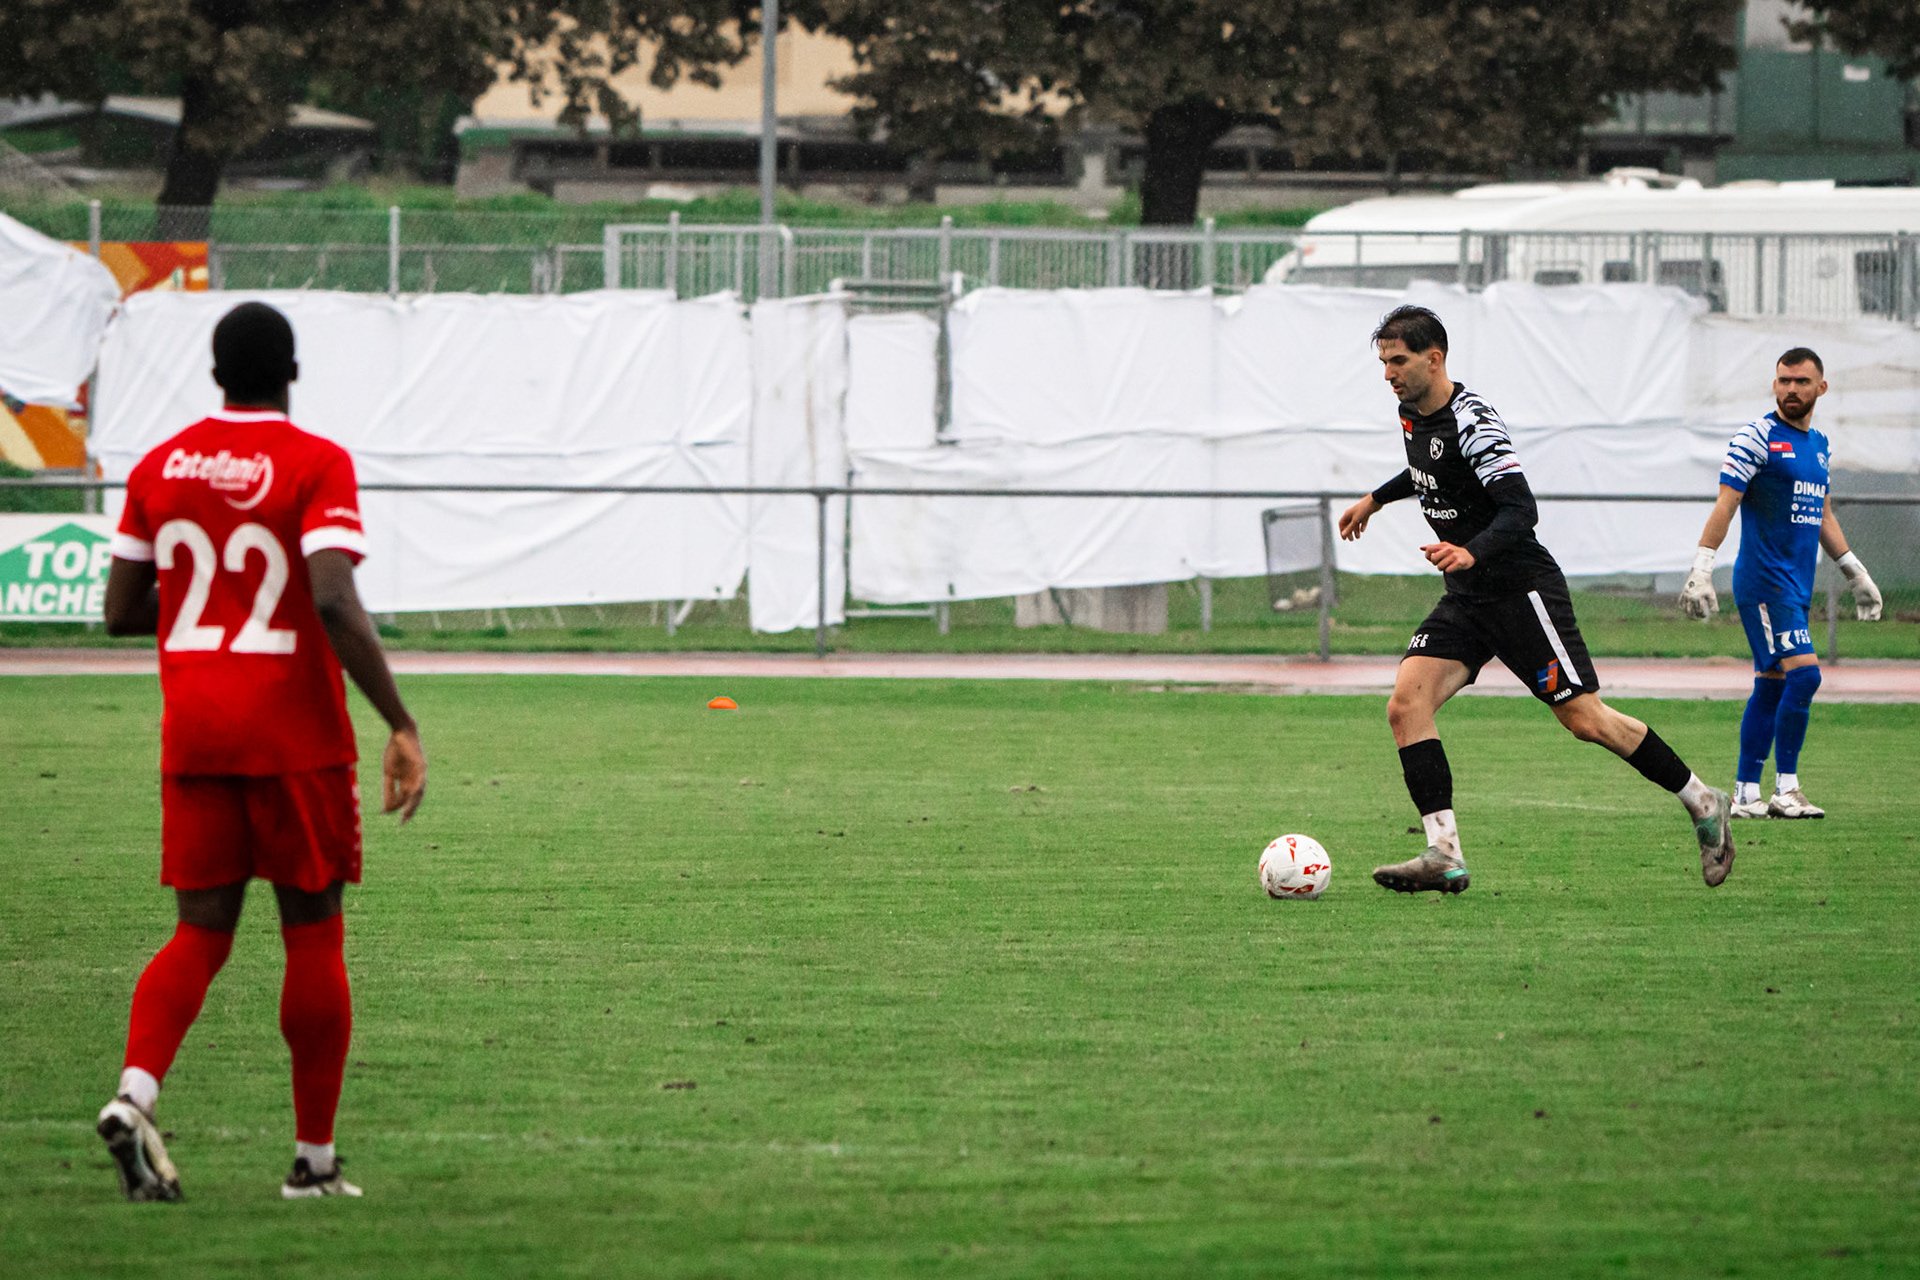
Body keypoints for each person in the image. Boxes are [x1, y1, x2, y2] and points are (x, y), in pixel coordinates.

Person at [95, 301, 426, 1202]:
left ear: (213, 377)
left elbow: (123, 611)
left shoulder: (160, 466)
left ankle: (135, 1093)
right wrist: (399, 719)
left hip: (195, 733)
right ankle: (313, 1164)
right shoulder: (316, 462)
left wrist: (219, 614)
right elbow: (329, 594)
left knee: (199, 934)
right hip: (294, 738)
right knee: (312, 935)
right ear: (293, 374)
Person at [1338, 305, 1734, 894]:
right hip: (1468, 597)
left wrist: (1471, 551)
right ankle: (1443, 852)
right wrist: (1375, 498)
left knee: (1584, 720)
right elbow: (1427, 473)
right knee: (1406, 705)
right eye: (1383, 363)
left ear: (1434, 358)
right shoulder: (1410, 414)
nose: (1388, 374)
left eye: (1398, 362)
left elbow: (1522, 510)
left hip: (1521, 592)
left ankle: (1703, 800)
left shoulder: (1474, 422)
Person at [1680, 347, 1882, 819]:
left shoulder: (1819, 446)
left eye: (1801, 382)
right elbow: (1726, 503)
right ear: (1774, 385)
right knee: (1806, 675)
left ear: (1821, 388)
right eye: (1783, 380)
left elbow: (1824, 514)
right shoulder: (1755, 437)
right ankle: (1785, 789)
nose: (1791, 389)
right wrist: (1702, 569)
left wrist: (1856, 572)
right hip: (1765, 583)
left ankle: (1747, 794)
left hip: (1795, 585)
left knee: (1771, 684)